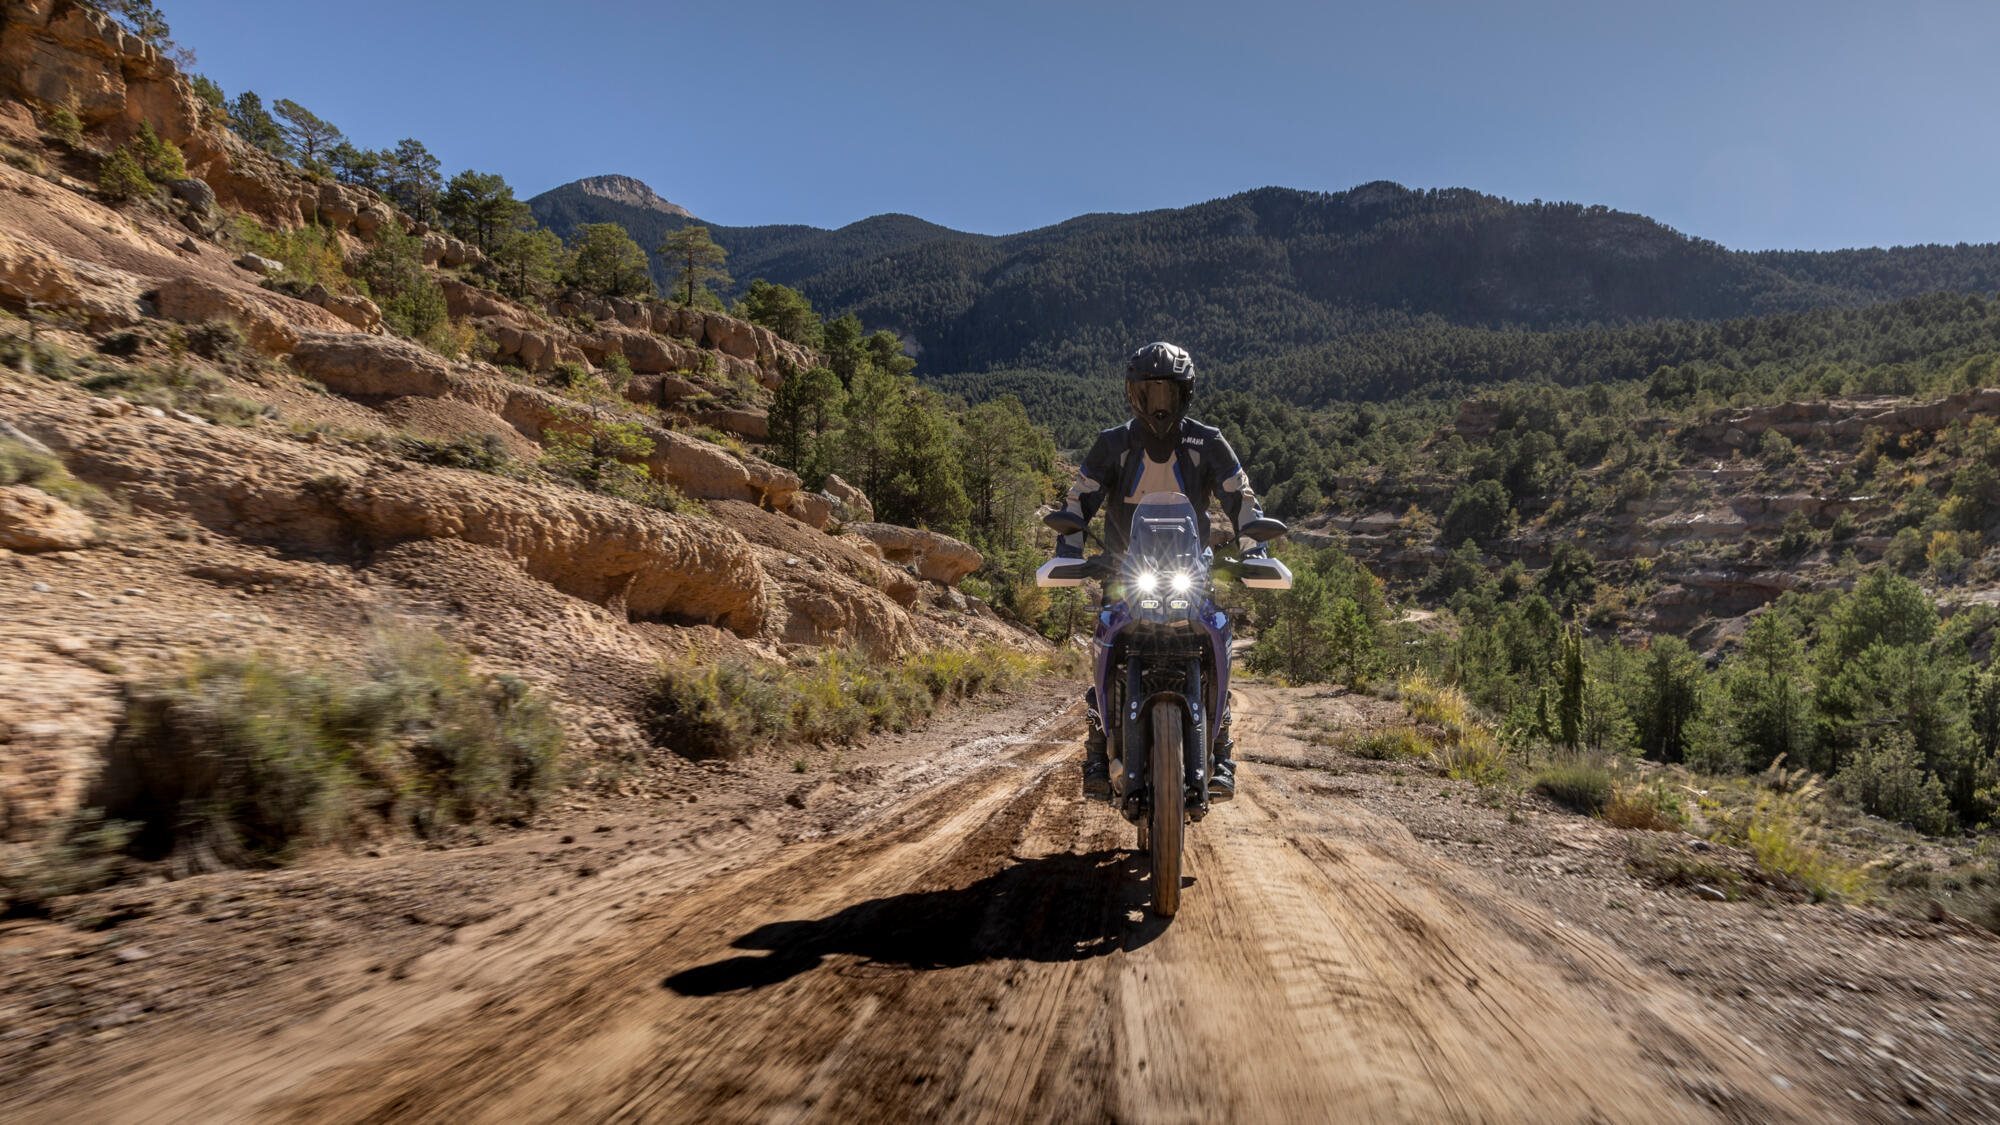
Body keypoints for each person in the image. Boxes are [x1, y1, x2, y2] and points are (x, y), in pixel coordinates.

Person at [1051, 341, 1273, 801]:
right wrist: (1068, 551)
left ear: (1184, 394)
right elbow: (1079, 500)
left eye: (1167, 392)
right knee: (1106, 645)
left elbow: (1241, 497)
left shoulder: (1207, 442)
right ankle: (1097, 750)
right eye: (1149, 392)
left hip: (1192, 570)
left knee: (1214, 644)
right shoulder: (1113, 444)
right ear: (1132, 393)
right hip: (1125, 571)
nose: (1159, 404)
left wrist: (1255, 551)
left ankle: (1221, 749)